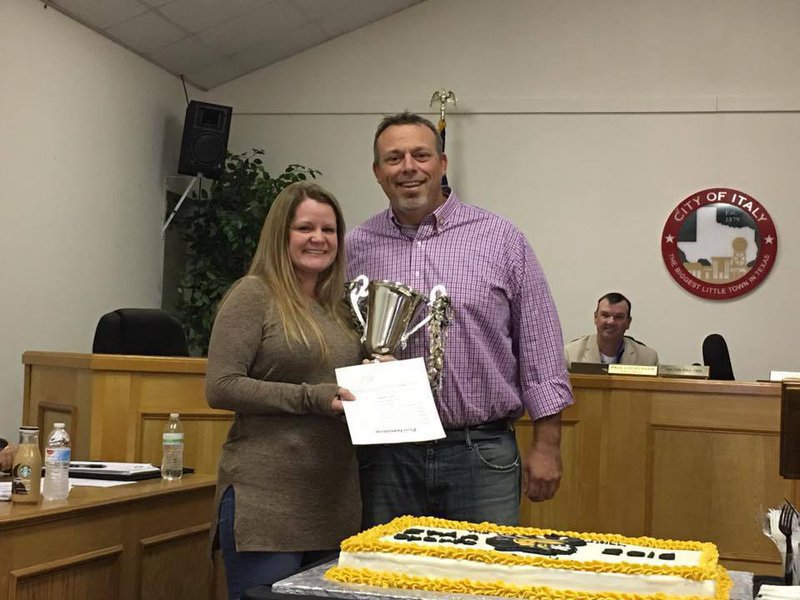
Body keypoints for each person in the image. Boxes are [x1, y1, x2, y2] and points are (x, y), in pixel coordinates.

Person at [346, 111, 574, 528]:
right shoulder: (355, 246)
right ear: (377, 172)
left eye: (421, 155)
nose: (409, 167)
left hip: (480, 452)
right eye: (394, 159)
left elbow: (539, 346)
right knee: (387, 582)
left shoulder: (501, 238)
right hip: (386, 458)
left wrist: (547, 445)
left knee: (483, 583)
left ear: (442, 163)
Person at [205, 181, 365, 598]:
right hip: (268, 504)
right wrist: (311, 397)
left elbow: (345, 386)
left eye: (329, 230)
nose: (319, 239)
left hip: (334, 502)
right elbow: (221, 386)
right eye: (305, 228)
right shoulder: (253, 294)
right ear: (281, 235)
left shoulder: (340, 307)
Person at [564, 292, 658, 367]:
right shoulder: (570, 354)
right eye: (605, 315)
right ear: (595, 318)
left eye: (619, 317)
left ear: (628, 323)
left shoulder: (647, 358)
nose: (611, 322)